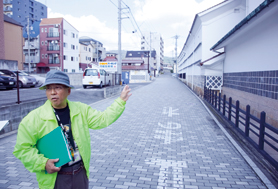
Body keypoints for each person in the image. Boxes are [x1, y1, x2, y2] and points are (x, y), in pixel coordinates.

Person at [13, 70, 131, 189]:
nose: (53, 92)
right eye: (48, 88)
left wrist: (120, 102)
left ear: (68, 91)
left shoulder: (81, 110)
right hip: (55, 177)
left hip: (79, 172)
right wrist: (43, 163)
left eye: (58, 87)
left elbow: (103, 119)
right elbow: (22, 149)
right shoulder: (33, 118)